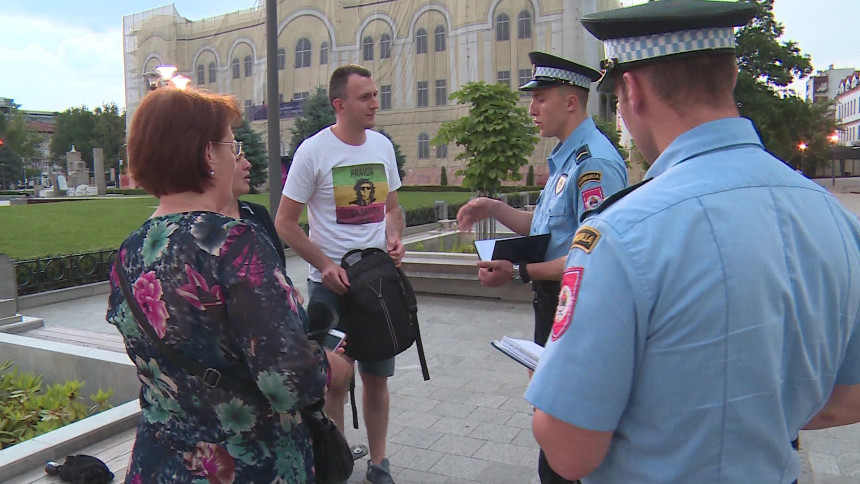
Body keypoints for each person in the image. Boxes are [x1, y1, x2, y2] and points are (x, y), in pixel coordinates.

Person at [525, 2, 860, 483]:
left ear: (633, 91)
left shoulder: (621, 234)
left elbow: (569, 450)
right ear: (731, 77)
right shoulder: (836, 218)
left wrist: (546, 388)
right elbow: (850, 396)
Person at [107, 83, 351, 483]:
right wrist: (334, 367)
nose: (237, 156)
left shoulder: (127, 253)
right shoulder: (235, 241)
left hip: (159, 465)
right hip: (244, 465)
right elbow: (287, 380)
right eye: (232, 147)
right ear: (208, 154)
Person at [457, 51, 627, 484]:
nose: (531, 109)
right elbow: (546, 229)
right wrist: (493, 207)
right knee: (551, 427)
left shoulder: (593, 164)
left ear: (571, 101)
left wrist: (518, 273)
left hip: (577, 312)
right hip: (554, 309)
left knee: (563, 441)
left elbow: (593, 257)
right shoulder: (565, 159)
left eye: (541, 99)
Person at [275, 64, 404, 484]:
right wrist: (325, 264)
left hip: (376, 284)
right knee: (333, 380)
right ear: (339, 104)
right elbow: (285, 222)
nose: (374, 103)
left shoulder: (382, 146)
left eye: (375, 94)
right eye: (364, 97)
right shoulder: (313, 152)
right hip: (330, 290)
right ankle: (337, 464)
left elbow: (393, 208)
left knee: (376, 377)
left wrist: (395, 236)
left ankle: (379, 463)